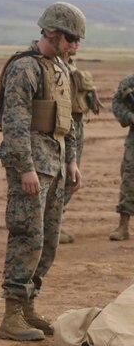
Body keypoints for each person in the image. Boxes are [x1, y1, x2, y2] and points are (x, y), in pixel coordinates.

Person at [0, 2, 84, 341]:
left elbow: (69, 120)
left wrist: (72, 160)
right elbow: (15, 123)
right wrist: (25, 169)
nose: (75, 45)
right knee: (26, 238)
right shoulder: (25, 68)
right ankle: (12, 314)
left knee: (48, 241)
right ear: (52, 33)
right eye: (71, 38)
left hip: (56, 164)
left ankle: (29, 303)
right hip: (33, 167)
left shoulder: (60, 69)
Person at [57, 54, 100, 243]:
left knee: (71, 177)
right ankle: (52, 224)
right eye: (71, 39)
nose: (75, 44)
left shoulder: (70, 66)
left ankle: (55, 222)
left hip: (75, 126)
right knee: (61, 177)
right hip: (63, 126)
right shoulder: (54, 68)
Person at [108, 71, 134, 241]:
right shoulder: (130, 82)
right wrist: (130, 117)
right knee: (130, 178)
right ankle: (123, 226)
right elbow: (117, 102)